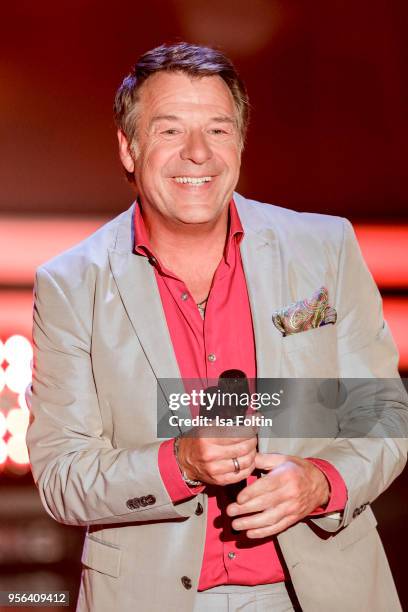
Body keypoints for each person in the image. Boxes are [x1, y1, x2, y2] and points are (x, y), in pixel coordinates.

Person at [26, 42, 408, 612]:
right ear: (129, 148)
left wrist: (321, 483)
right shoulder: (71, 284)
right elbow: (62, 476)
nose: (198, 153)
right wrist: (178, 462)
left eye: (219, 130)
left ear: (241, 142)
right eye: (170, 131)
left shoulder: (324, 248)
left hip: (320, 592)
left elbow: (383, 415)